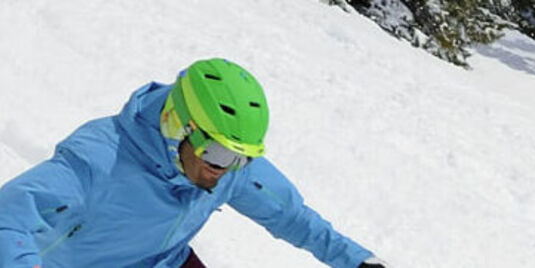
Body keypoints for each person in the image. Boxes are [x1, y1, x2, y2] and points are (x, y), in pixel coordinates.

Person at [0, 59, 385, 268]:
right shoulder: (99, 158)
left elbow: (292, 217)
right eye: (218, 153)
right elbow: (8, 216)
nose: (227, 169)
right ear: (175, 126)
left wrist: (357, 261)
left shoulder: (226, 166)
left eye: (242, 157)